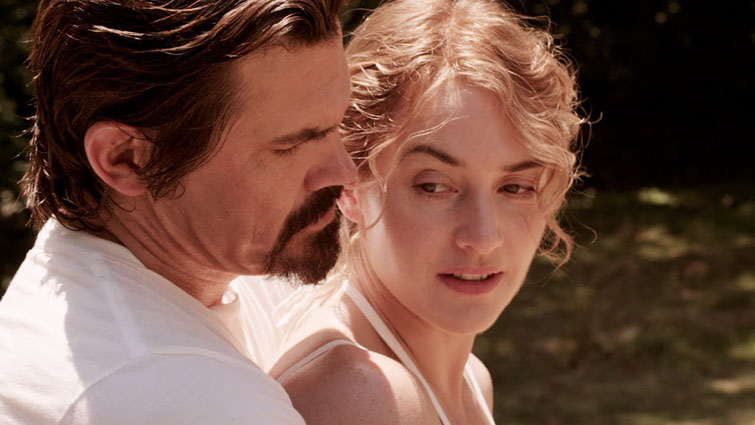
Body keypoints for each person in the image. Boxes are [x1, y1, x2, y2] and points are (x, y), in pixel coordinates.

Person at [0, 0, 356, 424]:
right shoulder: (186, 397)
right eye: (290, 145)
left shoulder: (86, 279)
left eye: (340, 123)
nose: (345, 172)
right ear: (127, 159)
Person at [253, 0, 586, 423]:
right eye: (434, 186)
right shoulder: (360, 395)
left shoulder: (471, 378)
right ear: (348, 184)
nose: (483, 237)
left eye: (515, 187)